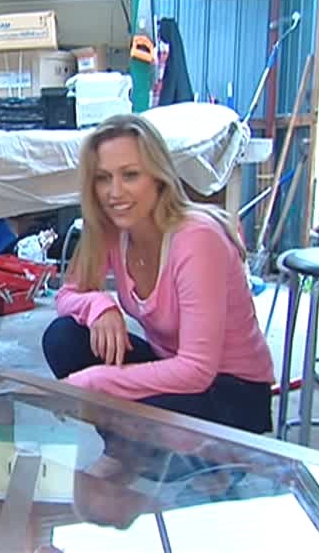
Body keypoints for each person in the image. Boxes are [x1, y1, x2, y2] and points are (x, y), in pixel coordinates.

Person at [42, 114, 274, 434]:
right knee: (64, 338)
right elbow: (67, 295)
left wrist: (97, 381)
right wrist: (99, 306)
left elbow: (196, 371)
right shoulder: (112, 229)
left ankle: (129, 450)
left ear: (158, 177)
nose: (114, 192)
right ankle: (126, 447)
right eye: (103, 178)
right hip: (171, 367)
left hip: (232, 390)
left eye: (130, 175)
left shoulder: (197, 238)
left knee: (132, 414)